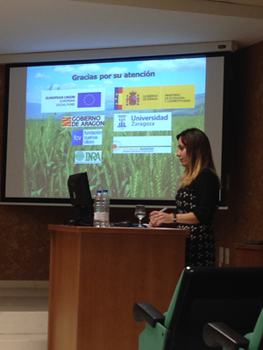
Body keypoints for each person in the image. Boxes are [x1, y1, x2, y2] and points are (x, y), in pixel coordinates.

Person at [149, 128, 220, 267]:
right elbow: (186, 215)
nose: (178, 154)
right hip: (184, 244)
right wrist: (163, 221)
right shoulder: (190, 179)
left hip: (198, 247)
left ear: (195, 150)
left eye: (182, 148)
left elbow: (203, 214)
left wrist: (172, 218)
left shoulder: (206, 177)